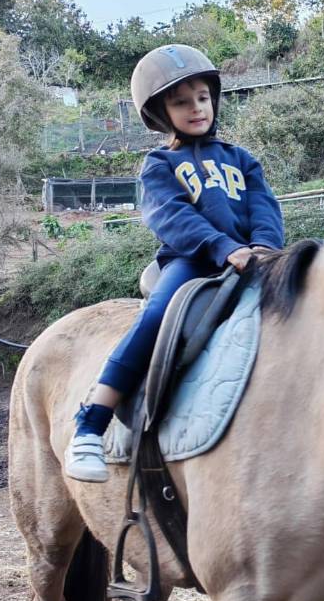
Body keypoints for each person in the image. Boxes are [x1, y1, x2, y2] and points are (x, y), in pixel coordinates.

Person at [65, 44, 285, 483]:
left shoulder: (242, 159)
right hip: (193, 262)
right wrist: (224, 247)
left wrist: (263, 246)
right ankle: (91, 423)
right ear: (162, 113)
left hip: (254, 260)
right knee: (157, 317)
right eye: (181, 101)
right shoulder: (160, 164)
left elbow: (265, 208)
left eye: (202, 97)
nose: (196, 108)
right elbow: (172, 217)